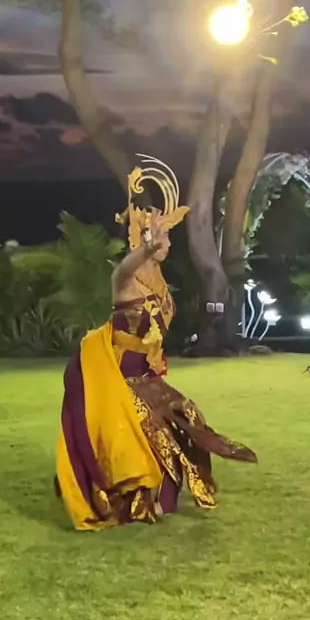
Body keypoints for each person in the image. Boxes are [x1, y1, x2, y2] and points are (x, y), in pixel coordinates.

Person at [55, 156, 257, 531]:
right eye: (161, 237)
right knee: (144, 428)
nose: (167, 243)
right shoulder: (125, 279)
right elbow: (126, 266)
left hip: (147, 376)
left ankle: (162, 495)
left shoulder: (161, 281)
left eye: (168, 237)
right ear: (142, 238)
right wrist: (147, 246)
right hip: (121, 380)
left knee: (186, 415)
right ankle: (131, 497)